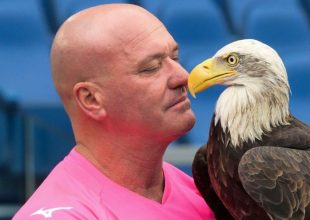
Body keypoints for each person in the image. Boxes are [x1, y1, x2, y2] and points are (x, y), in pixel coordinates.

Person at [13, 4, 214, 219]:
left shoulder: (209, 193)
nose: (183, 76)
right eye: (150, 68)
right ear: (91, 99)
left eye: (174, 58)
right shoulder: (66, 214)